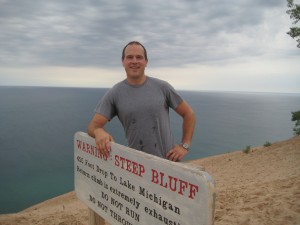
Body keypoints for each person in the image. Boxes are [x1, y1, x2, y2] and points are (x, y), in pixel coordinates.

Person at [87, 41, 195, 162]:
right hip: (136, 166)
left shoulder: (162, 87)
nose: (134, 61)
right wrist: (99, 132)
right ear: (123, 61)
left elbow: (189, 114)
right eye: (129, 57)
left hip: (168, 163)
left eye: (139, 57)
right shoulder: (115, 93)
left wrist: (184, 145)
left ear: (146, 62)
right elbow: (93, 126)